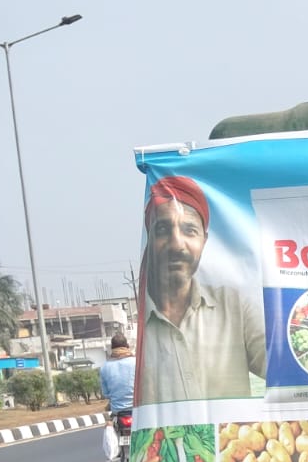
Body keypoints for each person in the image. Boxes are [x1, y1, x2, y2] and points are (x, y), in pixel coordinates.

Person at [138, 175, 267, 405]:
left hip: (233, 431)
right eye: (163, 229)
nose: (177, 244)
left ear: (204, 240)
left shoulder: (235, 307)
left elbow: (282, 366)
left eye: (189, 231)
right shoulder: (139, 326)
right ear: (149, 238)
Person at [98, 333, 136, 416]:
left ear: (111, 348)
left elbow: (106, 394)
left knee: (110, 421)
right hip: (138, 410)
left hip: (117, 412)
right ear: (128, 346)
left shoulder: (104, 367)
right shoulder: (137, 362)